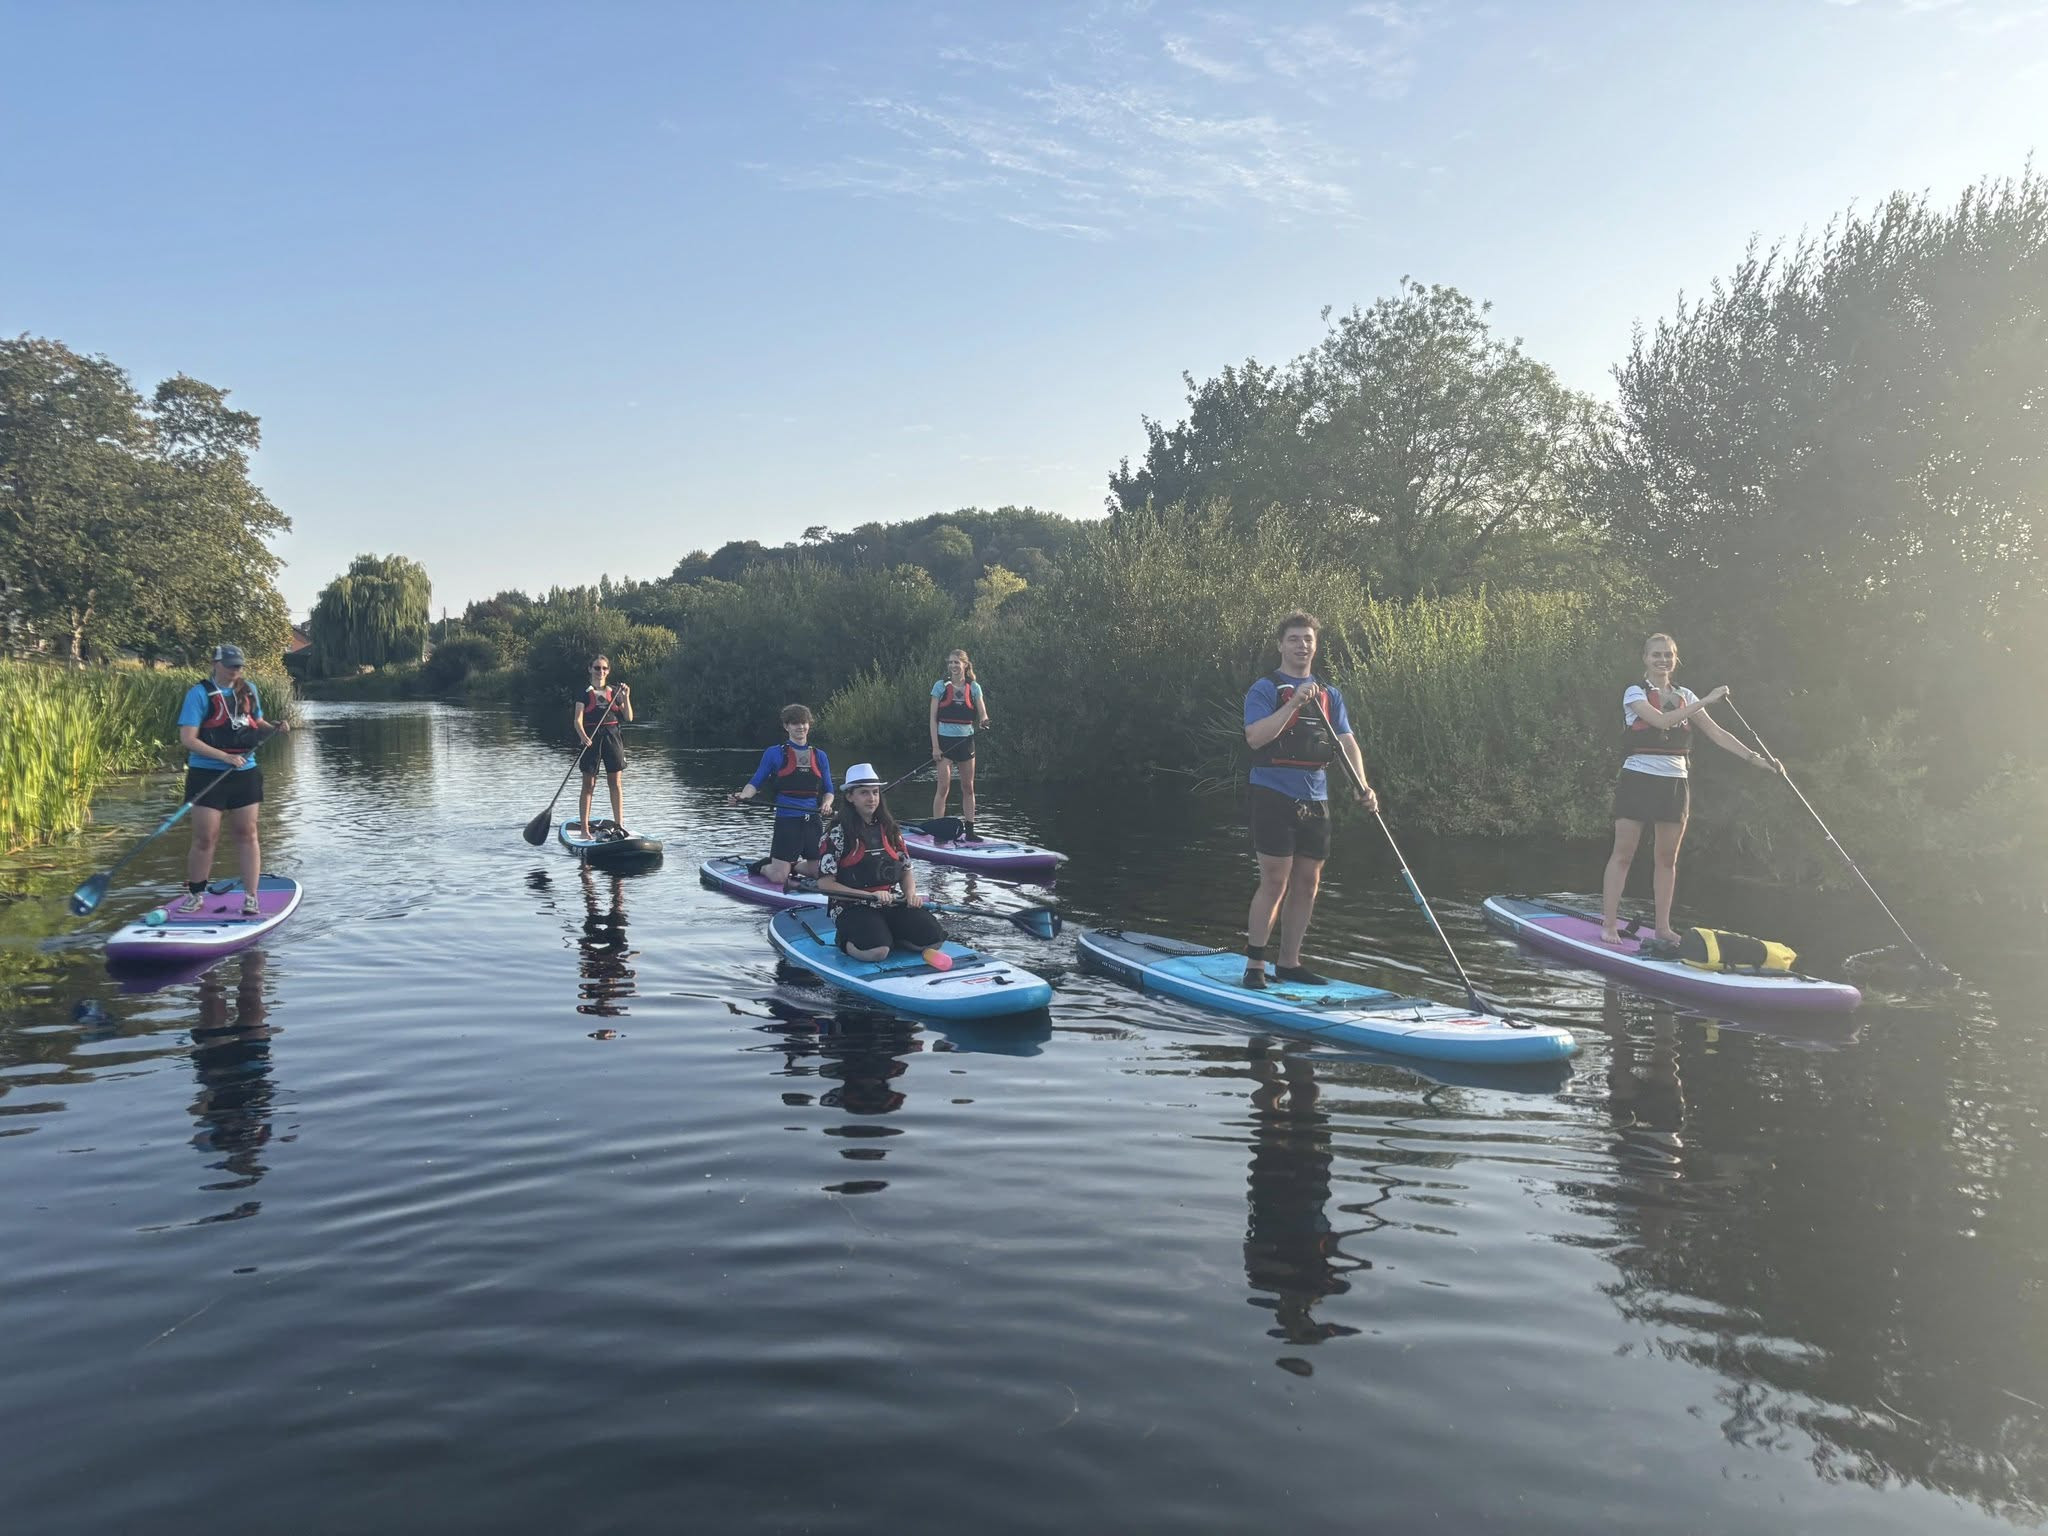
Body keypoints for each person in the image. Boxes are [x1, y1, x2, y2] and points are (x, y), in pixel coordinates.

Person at [1600, 632, 1780, 947]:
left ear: (1675, 659)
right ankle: (1609, 925)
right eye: (1656, 655)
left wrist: (1756, 759)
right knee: (1623, 854)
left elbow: (1716, 733)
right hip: (1638, 778)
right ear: (1645, 658)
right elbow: (1659, 721)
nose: (1662, 660)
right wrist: (1706, 700)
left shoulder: (1685, 694)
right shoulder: (1634, 692)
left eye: (1667, 655)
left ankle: (1663, 929)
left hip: (1674, 781)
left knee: (1667, 858)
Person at [1241, 612, 1378, 990]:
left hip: (1315, 797)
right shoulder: (1265, 689)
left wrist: (1362, 784)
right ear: (1281, 645)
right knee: (1275, 880)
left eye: (1308, 639)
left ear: (1315, 646)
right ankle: (1255, 965)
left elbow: (1346, 741)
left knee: (1308, 882)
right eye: (1294, 639)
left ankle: (1289, 963)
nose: (1302, 645)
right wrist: (1295, 705)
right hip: (1272, 793)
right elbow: (1256, 737)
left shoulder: (1330, 695)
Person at [174, 644, 290, 916]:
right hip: (207, 774)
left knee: (248, 834)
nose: (236, 670)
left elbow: (255, 723)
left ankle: (251, 897)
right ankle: (196, 895)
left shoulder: (249, 689)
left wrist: (275, 727)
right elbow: (188, 739)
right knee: (205, 838)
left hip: (245, 773)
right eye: (230, 665)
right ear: (215, 663)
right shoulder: (198, 693)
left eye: (239, 665)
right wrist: (223, 757)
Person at [817, 762, 947, 962]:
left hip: (890, 901)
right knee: (876, 952)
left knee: (933, 939)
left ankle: (890, 935)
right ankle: (846, 939)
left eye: (875, 792)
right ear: (850, 797)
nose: (872, 798)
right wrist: (868, 896)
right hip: (851, 907)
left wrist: (910, 894)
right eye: (864, 793)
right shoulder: (836, 834)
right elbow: (825, 884)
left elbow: (906, 870)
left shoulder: (891, 830)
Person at [729, 704, 835, 887]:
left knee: (820, 873)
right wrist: (743, 796)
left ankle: (791, 867)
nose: (800, 727)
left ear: (809, 725)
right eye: (795, 723)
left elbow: (829, 791)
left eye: (803, 723)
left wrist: (827, 804)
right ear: (786, 727)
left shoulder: (820, 756)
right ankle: (762, 867)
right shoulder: (774, 753)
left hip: (813, 821)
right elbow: (756, 782)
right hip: (787, 820)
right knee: (779, 878)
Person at [928, 647, 990, 840]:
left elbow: (982, 713)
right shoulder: (940, 686)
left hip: (965, 742)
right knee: (943, 787)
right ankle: (938, 831)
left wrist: (984, 720)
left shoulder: (974, 687)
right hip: (945, 743)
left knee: (968, 787)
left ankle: (970, 831)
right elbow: (932, 719)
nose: (953, 666)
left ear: (965, 664)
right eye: (950, 662)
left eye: (957, 662)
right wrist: (936, 747)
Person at [573, 654, 633, 839]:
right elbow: (577, 720)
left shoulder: (615, 692)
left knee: (615, 783)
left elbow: (629, 717)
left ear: (608, 671)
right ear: (590, 669)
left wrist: (626, 697)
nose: (601, 671)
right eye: (597, 668)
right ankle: (584, 829)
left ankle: (619, 825)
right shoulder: (584, 693)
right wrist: (583, 736)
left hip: (613, 738)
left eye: (604, 668)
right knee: (588, 785)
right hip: (592, 739)